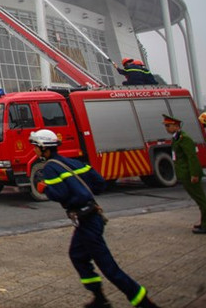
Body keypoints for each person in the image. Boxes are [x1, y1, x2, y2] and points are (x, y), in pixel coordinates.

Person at [31, 129, 159, 308]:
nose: (34, 149)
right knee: (77, 255)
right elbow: (99, 183)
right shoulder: (73, 162)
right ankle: (99, 298)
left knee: (109, 267)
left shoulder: (50, 168)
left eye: (35, 146)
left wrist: (44, 188)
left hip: (86, 221)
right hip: (92, 216)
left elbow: (60, 194)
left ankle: (143, 301)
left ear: (43, 147)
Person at [163, 114, 206, 234]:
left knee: (201, 200)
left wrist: (194, 174)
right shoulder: (176, 138)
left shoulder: (184, 138)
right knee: (199, 200)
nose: (166, 128)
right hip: (185, 174)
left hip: (189, 174)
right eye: (166, 126)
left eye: (168, 125)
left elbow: (192, 158)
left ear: (176, 126)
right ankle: (205, 222)